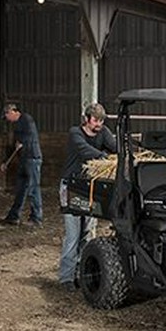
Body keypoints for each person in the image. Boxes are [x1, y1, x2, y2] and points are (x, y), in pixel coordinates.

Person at [58, 102, 116, 292]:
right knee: (73, 235)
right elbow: (84, 150)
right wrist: (105, 159)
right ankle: (66, 277)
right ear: (87, 119)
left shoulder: (104, 132)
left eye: (101, 120)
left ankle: (82, 274)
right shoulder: (75, 133)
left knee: (88, 233)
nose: (99, 124)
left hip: (90, 188)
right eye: (95, 120)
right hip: (72, 186)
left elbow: (114, 146)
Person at [0, 103, 43, 227]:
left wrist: (22, 142)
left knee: (33, 188)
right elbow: (15, 145)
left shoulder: (27, 120)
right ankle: (14, 216)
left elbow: (30, 137)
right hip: (24, 159)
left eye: (7, 116)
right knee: (21, 188)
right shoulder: (17, 125)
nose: (7, 119)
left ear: (12, 112)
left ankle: (36, 218)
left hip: (32, 158)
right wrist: (6, 161)